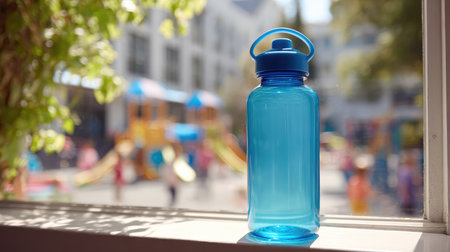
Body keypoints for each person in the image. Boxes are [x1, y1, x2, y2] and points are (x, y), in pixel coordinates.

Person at [397, 151, 417, 215]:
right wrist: (406, 197)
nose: (414, 161)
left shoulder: (402, 169)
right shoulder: (406, 171)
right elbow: (404, 185)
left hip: (405, 199)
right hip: (408, 200)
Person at [164, 143, 182, 207]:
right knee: (172, 190)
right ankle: (172, 201)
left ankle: (173, 201)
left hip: (174, 178)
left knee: (174, 191)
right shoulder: (170, 158)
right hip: (171, 177)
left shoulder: (177, 159)